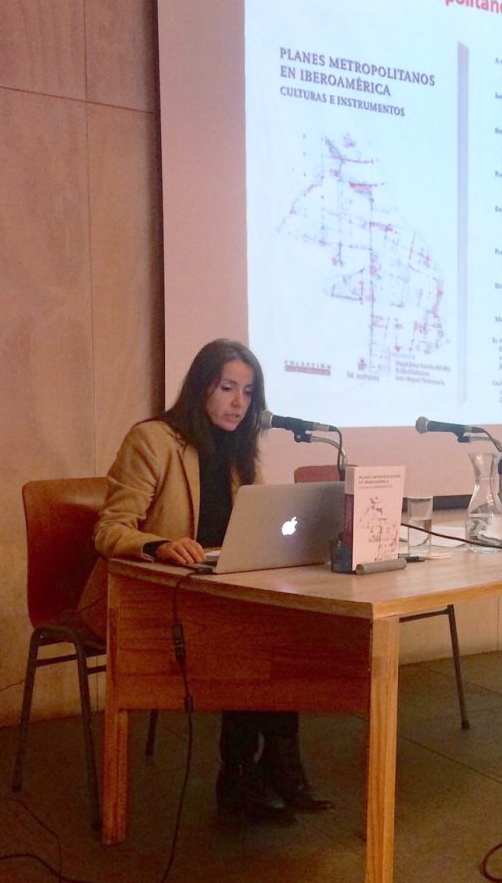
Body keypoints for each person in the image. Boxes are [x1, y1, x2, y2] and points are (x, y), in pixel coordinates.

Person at [88, 339, 332, 823]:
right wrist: (159, 545)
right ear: (201, 388)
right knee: (250, 637)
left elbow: (261, 524)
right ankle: (238, 776)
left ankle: (278, 762)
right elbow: (109, 529)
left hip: (219, 587)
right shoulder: (153, 441)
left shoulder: (242, 451)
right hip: (156, 594)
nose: (239, 402)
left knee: (285, 625)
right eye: (227, 388)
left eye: (248, 392)